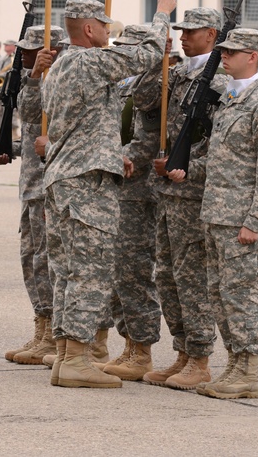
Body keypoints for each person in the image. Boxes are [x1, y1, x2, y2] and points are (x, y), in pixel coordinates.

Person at [36, 0, 172, 389]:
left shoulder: (60, 66)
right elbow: (145, 57)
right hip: (86, 184)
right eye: (106, 27)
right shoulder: (88, 60)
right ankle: (78, 358)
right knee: (89, 272)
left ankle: (66, 355)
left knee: (66, 272)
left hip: (65, 178)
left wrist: (114, 153)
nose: (109, 33)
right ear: (90, 29)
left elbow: (86, 122)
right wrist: (161, 15)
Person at [168, 27, 258, 400]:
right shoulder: (231, 100)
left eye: (232, 52)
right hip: (215, 215)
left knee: (241, 295)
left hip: (240, 222)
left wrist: (255, 221)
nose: (225, 57)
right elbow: (221, 159)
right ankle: (234, 362)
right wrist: (185, 167)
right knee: (219, 294)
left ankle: (248, 370)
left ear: (252, 56)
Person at [145, 6, 227, 390]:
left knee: (192, 277)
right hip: (166, 192)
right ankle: (182, 351)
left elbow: (222, 144)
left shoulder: (223, 80)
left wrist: (187, 165)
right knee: (167, 276)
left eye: (191, 31)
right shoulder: (177, 72)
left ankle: (200, 356)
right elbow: (145, 102)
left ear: (212, 35)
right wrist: (155, 56)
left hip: (193, 193)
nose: (183, 36)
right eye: (181, 30)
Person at [95, 25, 165, 381]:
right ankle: (127, 344)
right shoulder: (127, 83)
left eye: (129, 48)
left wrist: (110, 159)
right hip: (118, 186)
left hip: (139, 190)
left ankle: (142, 348)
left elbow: (146, 142)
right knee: (117, 271)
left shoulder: (156, 84)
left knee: (135, 272)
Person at [0, 25, 66, 365]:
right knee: (31, 257)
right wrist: (10, 148)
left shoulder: (57, 79)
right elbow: (30, 126)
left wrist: (37, 77)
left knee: (46, 260)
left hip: (50, 185)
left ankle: (53, 333)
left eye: (29, 51)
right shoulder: (31, 76)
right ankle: (42, 325)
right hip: (31, 184)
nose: (21, 56)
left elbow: (40, 115)